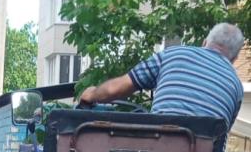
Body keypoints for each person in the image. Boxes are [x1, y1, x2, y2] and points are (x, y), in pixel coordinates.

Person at [79, 23, 245, 134]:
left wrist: (92, 94)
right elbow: (222, 133)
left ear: (204, 42)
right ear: (234, 58)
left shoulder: (173, 54)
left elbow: (116, 89)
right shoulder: (236, 86)